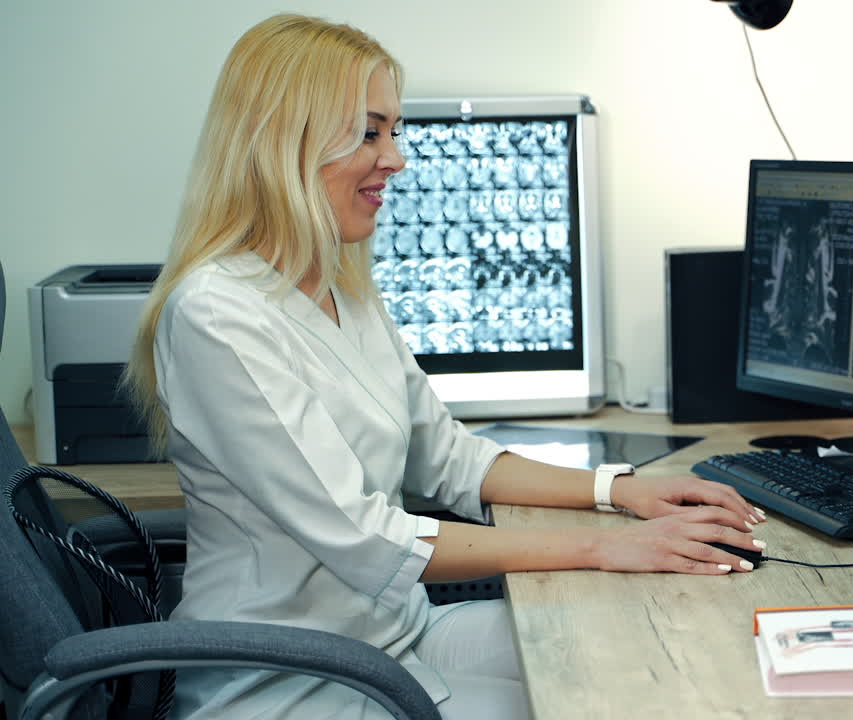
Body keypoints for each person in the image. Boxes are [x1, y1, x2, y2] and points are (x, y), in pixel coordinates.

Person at [122, 13, 767, 720]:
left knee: (634, 644)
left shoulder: (338, 287)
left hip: (398, 636)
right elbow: (369, 539)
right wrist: (604, 548)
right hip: (292, 679)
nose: (396, 157)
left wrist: (619, 492)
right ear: (285, 141)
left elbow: (452, 461)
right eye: (369, 132)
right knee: (601, 698)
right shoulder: (218, 315)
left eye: (393, 131)